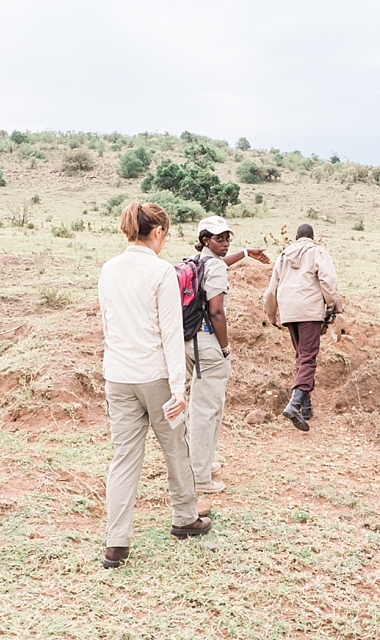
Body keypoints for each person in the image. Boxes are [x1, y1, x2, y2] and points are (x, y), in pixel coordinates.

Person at [97, 201, 212, 569]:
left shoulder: (108, 269)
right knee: (175, 447)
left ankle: (116, 543)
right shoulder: (162, 272)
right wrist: (179, 389)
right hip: (156, 376)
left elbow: (107, 326)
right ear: (158, 232)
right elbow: (170, 333)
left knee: (124, 458)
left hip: (118, 375)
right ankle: (184, 517)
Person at [185, 216, 270, 494]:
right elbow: (216, 311)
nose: (225, 243)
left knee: (207, 404)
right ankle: (199, 477)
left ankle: (203, 463)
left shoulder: (196, 262)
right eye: (219, 239)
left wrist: (245, 253)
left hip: (189, 342)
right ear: (205, 240)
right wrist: (225, 346)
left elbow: (220, 263)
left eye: (227, 238)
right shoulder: (215, 268)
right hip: (210, 343)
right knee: (206, 410)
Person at [262, 223, 342, 432]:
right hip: (309, 310)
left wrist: (271, 315)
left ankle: (306, 407)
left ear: (296, 238)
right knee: (308, 357)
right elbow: (328, 281)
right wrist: (333, 306)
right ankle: (294, 404)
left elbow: (271, 290)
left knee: (301, 355)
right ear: (313, 237)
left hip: (289, 311)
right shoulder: (318, 252)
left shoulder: (283, 256)